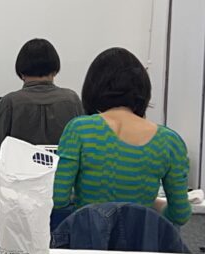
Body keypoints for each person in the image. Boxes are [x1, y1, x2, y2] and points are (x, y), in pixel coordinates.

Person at [53, 47, 190, 225]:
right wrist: (148, 205)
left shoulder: (79, 130)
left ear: (93, 88)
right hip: (141, 241)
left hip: (87, 238)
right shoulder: (170, 141)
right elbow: (180, 214)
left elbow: (58, 199)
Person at [0, 38, 83, 157]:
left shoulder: (10, 102)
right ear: (55, 70)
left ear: (21, 72)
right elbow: (83, 145)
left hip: (20, 168)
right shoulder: (72, 100)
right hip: (62, 168)